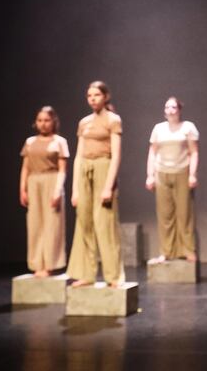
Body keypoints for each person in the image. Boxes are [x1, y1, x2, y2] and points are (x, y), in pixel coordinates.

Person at [67, 81, 125, 287]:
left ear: (105, 97)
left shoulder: (113, 119)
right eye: (89, 95)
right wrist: (74, 189)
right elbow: (78, 156)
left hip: (103, 167)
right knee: (84, 223)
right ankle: (86, 274)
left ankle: (113, 276)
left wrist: (109, 186)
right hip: (85, 169)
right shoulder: (84, 122)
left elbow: (116, 155)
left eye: (97, 95)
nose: (92, 99)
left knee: (105, 224)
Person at [146, 96, 199, 263]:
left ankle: (188, 250)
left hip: (182, 171)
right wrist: (150, 175)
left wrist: (192, 174)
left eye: (173, 107)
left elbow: (194, 152)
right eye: (167, 107)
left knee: (184, 213)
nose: (170, 110)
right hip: (162, 172)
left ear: (179, 110)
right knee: (165, 214)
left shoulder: (188, 127)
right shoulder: (158, 128)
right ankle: (166, 251)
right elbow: (152, 152)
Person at [18, 106, 69, 277]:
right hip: (34, 182)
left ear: (53, 122)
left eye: (47, 120)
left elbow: (62, 169)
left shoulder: (59, 141)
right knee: (34, 224)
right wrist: (22, 189)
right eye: (40, 120)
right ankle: (37, 264)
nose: (43, 124)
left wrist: (58, 190)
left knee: (52, 224)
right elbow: (25, 168)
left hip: (51, 181)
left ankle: (50, 265)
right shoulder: (30, 142)